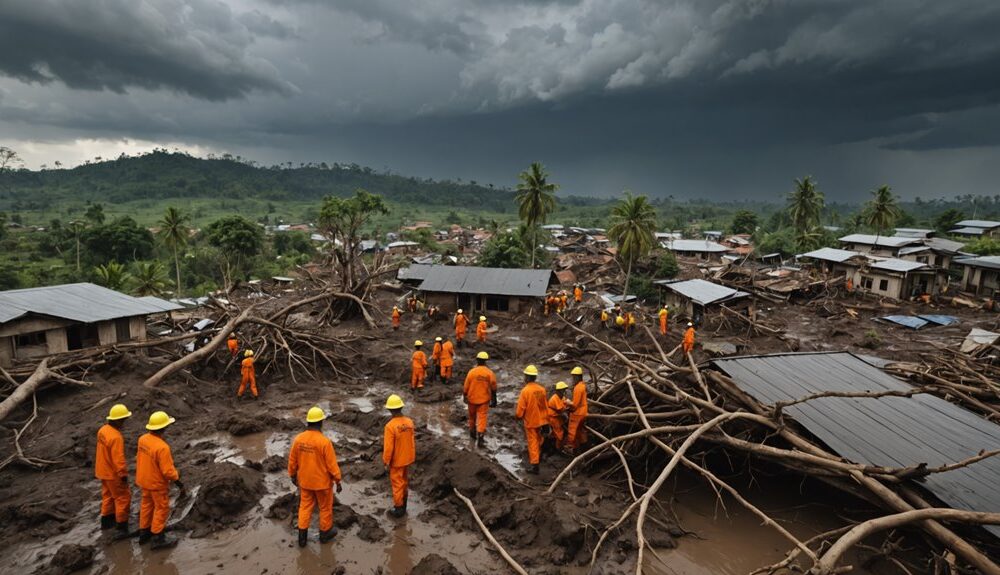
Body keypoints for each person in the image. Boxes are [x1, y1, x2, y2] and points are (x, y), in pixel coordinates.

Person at [288, 406, 343, 547]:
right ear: (321, 423)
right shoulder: (324, 442)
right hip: (322, 484)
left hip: (305, 482)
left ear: (308, 422)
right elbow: (332, 466)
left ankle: (302, 538)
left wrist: (293, 475)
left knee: (305, 507)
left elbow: (292, 461)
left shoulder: (298, 439)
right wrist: (338, 480)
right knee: (325, 508)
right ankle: (325, 534)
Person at [136, 411, 182, 549]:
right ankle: (158, 537)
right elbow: (168, 472)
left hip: (144, 480)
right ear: (164, 428)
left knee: (146, 506)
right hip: (157, 484)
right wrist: (177, 479)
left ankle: (144, 533)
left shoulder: (142, 439)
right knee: (161, 508)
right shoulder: (162, 447)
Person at [95, 403, 132, 539]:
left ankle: (106, 522)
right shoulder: (116, 437)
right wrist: (123, 475)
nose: (124, 423)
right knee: (123, 498)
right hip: (113, 473)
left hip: (102, 471)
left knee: (108, 496)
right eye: (123, 420)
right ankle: (121, 527)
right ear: (118, 420)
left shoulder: (103, 430)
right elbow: (119, 459)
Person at [382, 394, 416, 517]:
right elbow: (411, 440)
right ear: (401, 407)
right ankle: (404, 504)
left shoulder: (390, 426)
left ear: (390, 409)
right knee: (404, 482)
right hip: (407, 458)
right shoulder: (409, 422)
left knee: (397, 484)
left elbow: (388, 448)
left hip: (396, 461)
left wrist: (386, 462)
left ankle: (398, 509)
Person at [515, 365, 549, 475]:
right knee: (539, 440)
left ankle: (535, 465)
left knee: (532, 442)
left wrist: (518, 416)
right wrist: (546, 421)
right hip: (541, 420)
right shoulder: (542, 389)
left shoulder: (525, 391)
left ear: (528, 377)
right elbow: (545, 406)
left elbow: (520, 409)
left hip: (531, 422)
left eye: (525, 376)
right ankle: (539, 455)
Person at [463, 351, 497, 447]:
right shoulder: (489, 373)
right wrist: (494, 399)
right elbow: (493, 386)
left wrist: (464, 396)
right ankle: (480, 438)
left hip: (472, 399)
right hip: (484, 400)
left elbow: (466, 386)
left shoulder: (471, 372)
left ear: (477, 360)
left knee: (472, 417)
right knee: (482, 418)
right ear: (486, 361)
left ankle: (472, 434)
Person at [566, 367, 588, 450]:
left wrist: (567, 402)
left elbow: (575, 405)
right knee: (581, 430)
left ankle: (570, 447)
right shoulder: (583, 385)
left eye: (574, 377)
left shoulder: (578, 388)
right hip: (584, 412)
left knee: (572, 431)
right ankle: (584, 446)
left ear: (577, 377)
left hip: (577, 414)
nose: (573, 379)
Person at [547, 382, 569, 450]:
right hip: (553, 418)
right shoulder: (555, 398)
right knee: (560, 434)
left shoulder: (562, 397)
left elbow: (565, 404)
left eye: (564, 390)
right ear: (558, 391)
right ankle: (558, 448)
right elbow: (561, 409)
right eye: (562, 390)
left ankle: (551, 443)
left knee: (556, 433)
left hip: (558, 417)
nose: (564, 391)